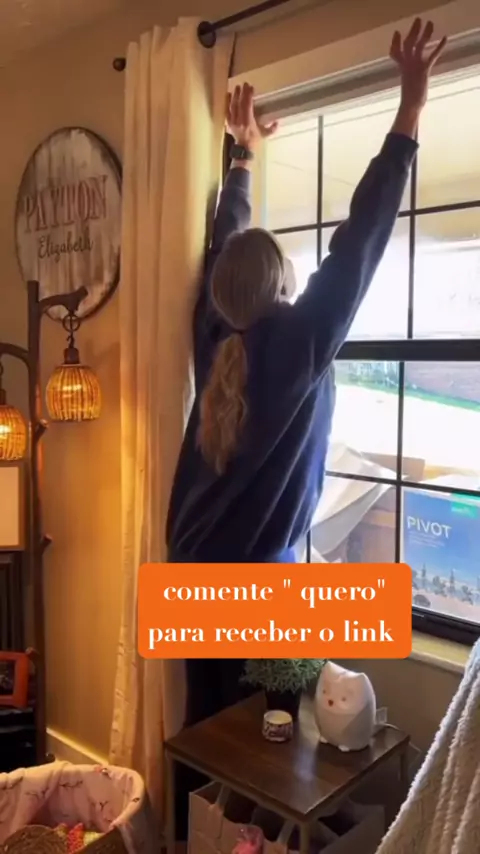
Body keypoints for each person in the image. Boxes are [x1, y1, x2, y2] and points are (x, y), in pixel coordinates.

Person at [166, 17, 446, 842]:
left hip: (192, 564)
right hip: (262, 585)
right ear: (284, 287)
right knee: (273, 739)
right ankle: (253, 837)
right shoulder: (296, 340)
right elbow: (361, 239)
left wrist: (240, 159)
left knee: (210, 732)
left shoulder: (213, 332)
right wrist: (410, 108)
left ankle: (198, 836)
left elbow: (226, 248)